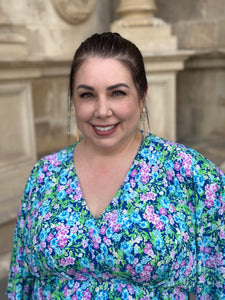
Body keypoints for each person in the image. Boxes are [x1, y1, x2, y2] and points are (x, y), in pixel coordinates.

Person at [6, 32, 225, 300]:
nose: (101, 110)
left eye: (117, 93)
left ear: (142, 96)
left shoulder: (190, 173)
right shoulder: (45, 175)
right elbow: (22, 280)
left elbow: (218, 281)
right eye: (87, 95)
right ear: (74, 99)